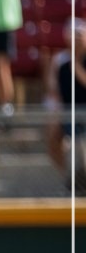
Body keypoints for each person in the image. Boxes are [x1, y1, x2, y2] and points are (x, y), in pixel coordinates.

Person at [44, 17, 86, 192]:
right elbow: (53, 90)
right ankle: (68, 177)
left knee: (83, 151)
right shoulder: (59, 60)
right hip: (69, 112)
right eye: (72, 35)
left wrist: (76, 66)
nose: (75, 39)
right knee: (53, 135)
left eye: (78, 35)